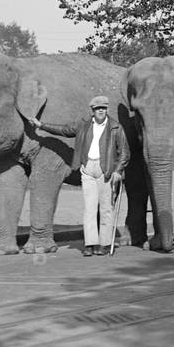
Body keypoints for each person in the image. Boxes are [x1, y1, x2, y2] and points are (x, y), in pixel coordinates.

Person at [29, 95, 129, 257]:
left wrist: (118, 170)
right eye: (97, 108)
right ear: (92, 110)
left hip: (107, 171)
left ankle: (104, 244)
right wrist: (42, 126)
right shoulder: (83, 124)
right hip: (88, 168)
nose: (101, 111)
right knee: (89, 209)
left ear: (107, 109)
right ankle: (90, 243)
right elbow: (64, 130)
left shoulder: (116, 128)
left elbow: (124, 153)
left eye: (103, 107)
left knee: (106, 209)